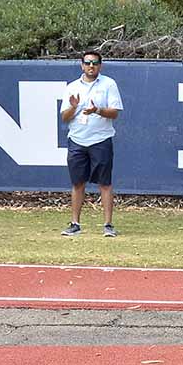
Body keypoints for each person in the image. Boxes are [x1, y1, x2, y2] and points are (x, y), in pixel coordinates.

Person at [59, 51, 124, 238]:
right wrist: (73, 107)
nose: (91, 66)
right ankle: (75, 224)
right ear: (82, 65)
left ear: (100, 66)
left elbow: (115, 113)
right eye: (87, 63)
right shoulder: (71, 87)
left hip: (101, 139)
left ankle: (108, 225)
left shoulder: (108, 84)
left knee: (105, 183)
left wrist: (97, 110)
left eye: (95, 63)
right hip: (77, 140)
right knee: (77, 183)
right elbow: (64, 117)